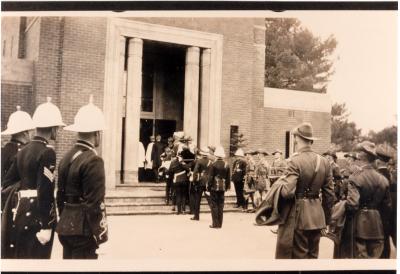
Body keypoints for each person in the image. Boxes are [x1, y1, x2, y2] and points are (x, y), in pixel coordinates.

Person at [1, 97, 65, 259]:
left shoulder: (22, 151)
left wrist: (26, 189)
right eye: (57, 127)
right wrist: (47, 225)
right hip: (37, 218)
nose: (57, 131)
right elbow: (45, 191)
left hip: (21, 214)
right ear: (51, 128)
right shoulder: (47, 152)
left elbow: (7, 183)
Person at [56, 96, 108, 259]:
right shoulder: (94, 160)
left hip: (66, 225)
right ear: (96, 133)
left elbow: (59, 195)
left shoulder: (66, 156)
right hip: (84, 230)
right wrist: (101, 236)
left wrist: (65, 218)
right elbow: (95, 203)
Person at [275, 122, 335, 259]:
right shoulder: (324, 161)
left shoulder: (294, 161)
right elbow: (329, 195)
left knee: (299, 258)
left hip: (299, 216)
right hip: (317, 217)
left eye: (295, 138)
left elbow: (287, 192)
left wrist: (279, 187)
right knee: (313, 257)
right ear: (310, 141)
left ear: (297, 138)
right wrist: (326, 219)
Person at [342, 141, 391, 258]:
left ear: (360, 157)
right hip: (378, 226)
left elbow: (353, 204)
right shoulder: (383, 179)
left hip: (360, 225)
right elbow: (387, 207)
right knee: (375, 263)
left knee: (361, 263)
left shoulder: (355, 177)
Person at [1, 106, 35, 180]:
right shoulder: (23, 152)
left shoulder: (5, 150)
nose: (33, 134)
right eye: (31, 131)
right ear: (25, 133)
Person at [375, 144, 395, 258]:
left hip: (380, 214)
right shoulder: (392, 176)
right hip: (392, 213)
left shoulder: (379, 177)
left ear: (378, 161)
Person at [207, 146, 230, 228]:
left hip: (214, 186)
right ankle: (220, 224)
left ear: (216, 155)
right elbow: (228, 178)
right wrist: (227, 187)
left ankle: (215, 224)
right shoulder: (226, 164)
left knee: (214, 205)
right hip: (222, 187)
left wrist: (208, 187)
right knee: (221, 205)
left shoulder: (213, 164)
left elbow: (210, 177)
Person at [191, 147, 212, 220]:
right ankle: (214, 215)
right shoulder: (211, 161)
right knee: (210, 199)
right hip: (208, 182)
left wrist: (194, 181)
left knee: (197, 199)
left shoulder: (199, 161)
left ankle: (196, 216)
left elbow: (195, 172)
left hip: (200, 181)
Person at [169, 146, 191, 214]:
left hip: (177, 180)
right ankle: (183, 210)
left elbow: (170, 170)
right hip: (184, 180)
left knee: (178, 195)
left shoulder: (173, 162)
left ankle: (178, 211)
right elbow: (187, 168)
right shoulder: (182, 162)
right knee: (183, 195)